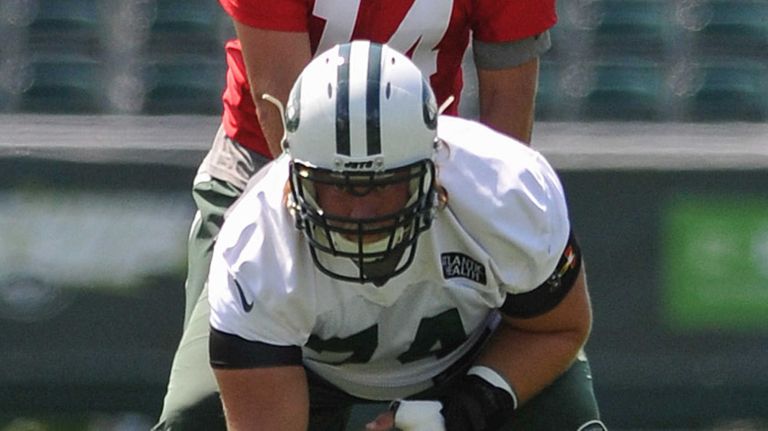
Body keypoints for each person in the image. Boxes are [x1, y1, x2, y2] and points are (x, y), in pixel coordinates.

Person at [155, 1, 557, 429]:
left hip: (423, 177)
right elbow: (287, 129)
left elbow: (506, 136)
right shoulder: (271, 204)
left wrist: (473, 220)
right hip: (269, 167)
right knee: (200, 413)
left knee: (542, 394)